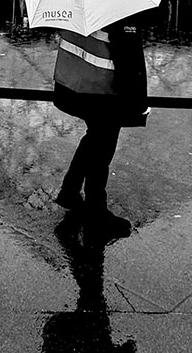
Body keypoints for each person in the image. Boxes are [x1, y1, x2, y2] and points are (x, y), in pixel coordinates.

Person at [53, 12, 150, 239]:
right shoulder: (121, 6)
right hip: (104, 88)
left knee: (95, 137)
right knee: (103, 145)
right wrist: (137, 103)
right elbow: (127, 59)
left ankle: (69, 191)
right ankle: (96, 210)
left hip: (79, 82)